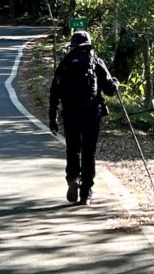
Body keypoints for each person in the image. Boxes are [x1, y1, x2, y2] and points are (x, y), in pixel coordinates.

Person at [49, 31, 118, 205]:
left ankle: (73, 177)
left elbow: (54, 91)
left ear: (73, 46)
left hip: (70, 114)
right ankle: (86, 192)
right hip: (91, 114)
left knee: (73, 149)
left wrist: (53, 118)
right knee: (89, 152)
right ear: (89, 45)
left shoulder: (65, 63)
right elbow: (110, 90)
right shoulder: (95, 62)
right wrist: (115, 83)